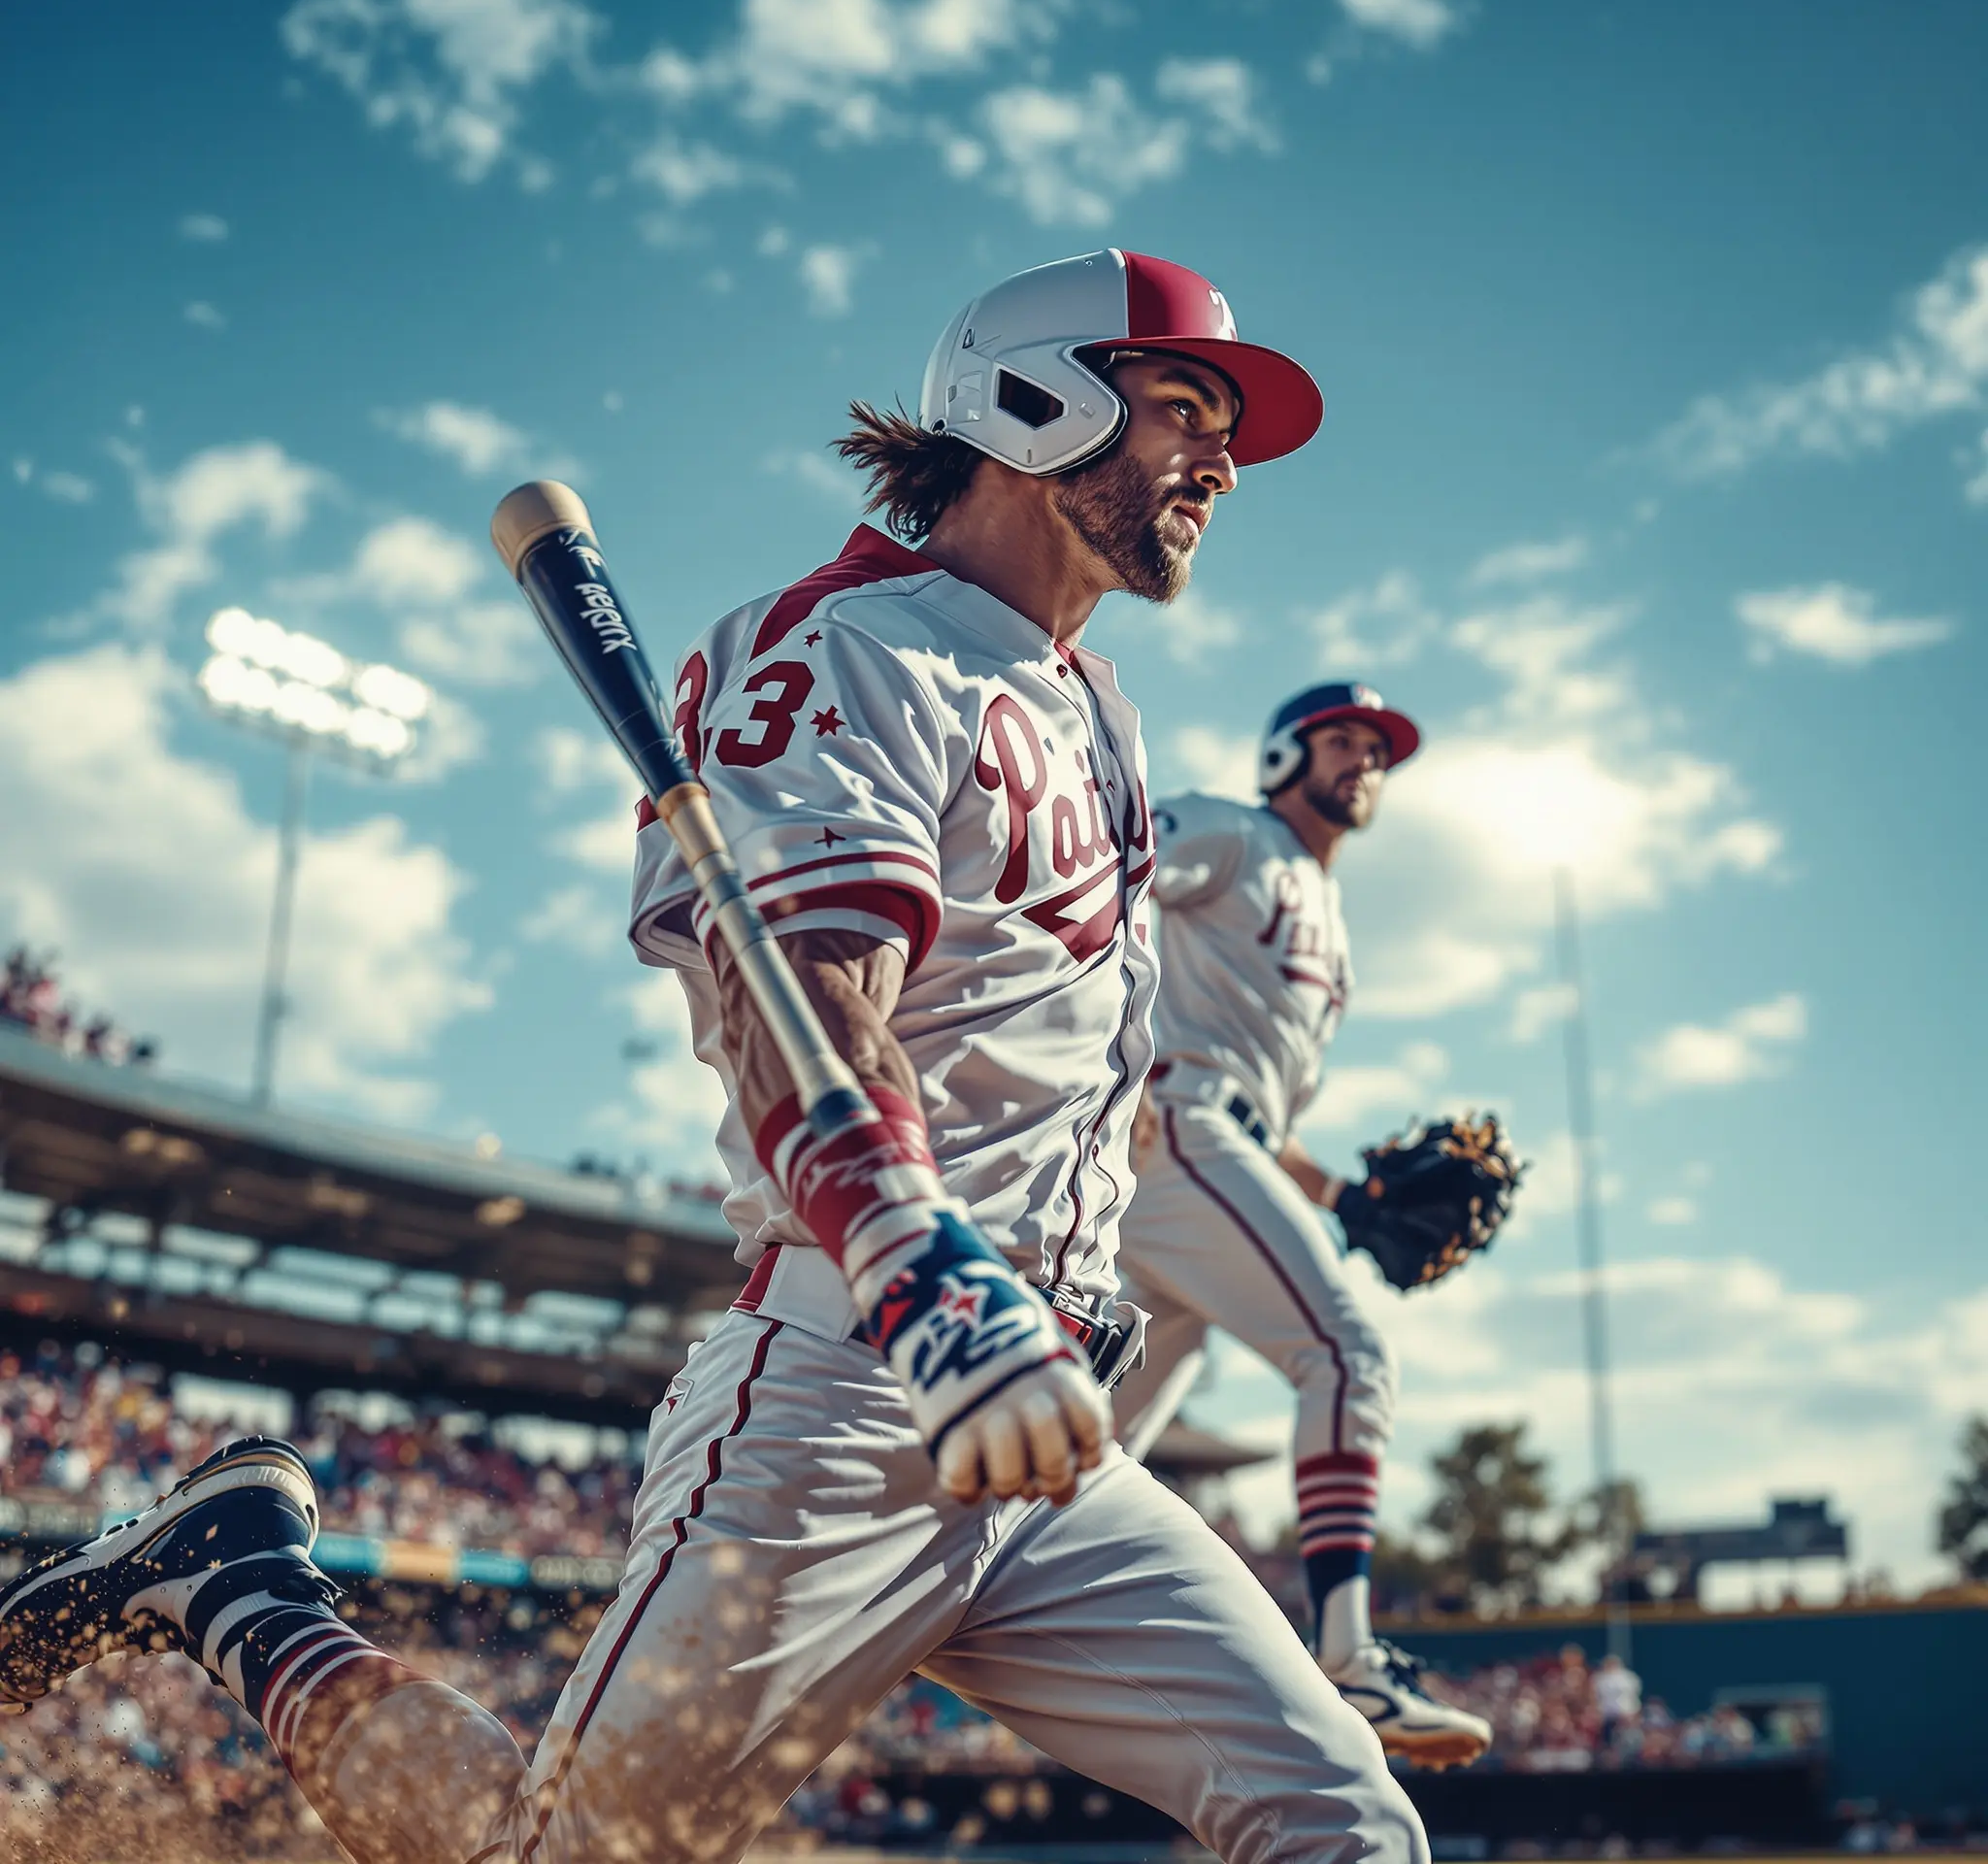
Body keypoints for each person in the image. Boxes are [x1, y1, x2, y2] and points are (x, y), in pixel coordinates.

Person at [1, 251, 1426, 1864]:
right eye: (1182, 405)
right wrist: (911, 1256)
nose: (1221, 459)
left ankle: (240, 1576)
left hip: (1054, 1425)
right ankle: (249, 1593)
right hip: (858, 1383)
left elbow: (1099, 1072)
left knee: (1342, 1819)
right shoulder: (844, 643)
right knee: (565, 1858)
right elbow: (802, 991)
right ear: (1036, 396)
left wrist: (1318, 1187)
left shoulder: (1100, 706)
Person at [1112, 682, 1494, 1771]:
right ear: (1285, 749)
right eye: (1342, 740)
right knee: (1345, 1353)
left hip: (1212, 1156)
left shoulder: (1338, 942)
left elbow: (1264, 1122)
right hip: (1172, 1129)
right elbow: (1109, 862)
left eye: (1376, 750)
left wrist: (1348, 1201)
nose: (1362, 761)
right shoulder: (1236, 832)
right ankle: (1348, 1653)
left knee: (1077, 1463)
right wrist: (1108, 1047)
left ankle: (873, 1590)